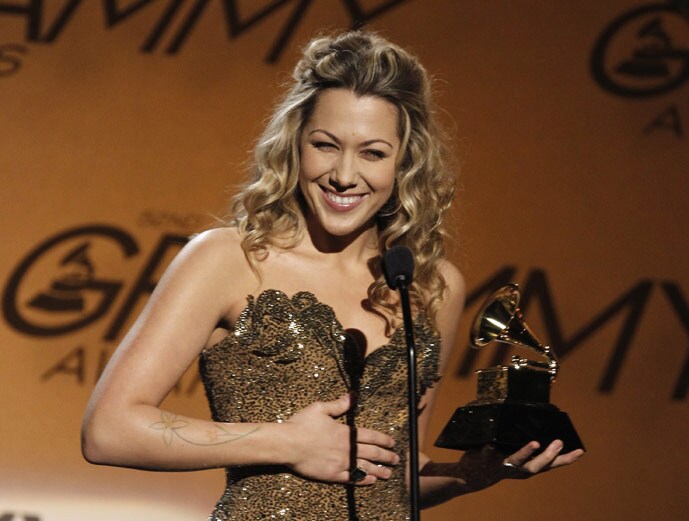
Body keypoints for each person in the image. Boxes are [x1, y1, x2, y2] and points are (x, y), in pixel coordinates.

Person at [81, 30, 583, 519]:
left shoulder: (429, 285)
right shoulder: (230, 258)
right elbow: (110, 430)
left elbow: (397, 476)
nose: (345, 174)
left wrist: (476, 473)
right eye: (325, 145)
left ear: (405, 163)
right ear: (294, 144)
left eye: (373, 153)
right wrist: (284, 441)